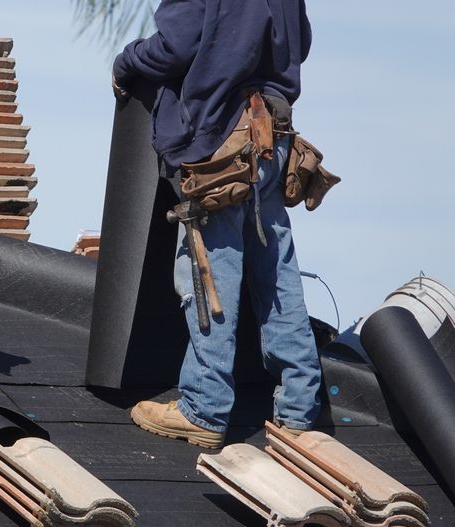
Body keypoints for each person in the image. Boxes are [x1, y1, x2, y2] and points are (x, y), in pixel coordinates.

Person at [112, 0, 322, 448]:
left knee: (209, 266)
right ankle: (299, 412)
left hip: (225, 138)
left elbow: (175, 45)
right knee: (278, 271)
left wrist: (126, 61)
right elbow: (299, 44)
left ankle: (204, 409)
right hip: (274, 134)